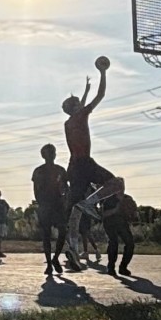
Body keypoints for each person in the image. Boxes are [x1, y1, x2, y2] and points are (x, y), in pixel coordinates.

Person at [61, 56, 120, 222]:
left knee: (74, 207)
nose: (82, 103)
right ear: (75, 108)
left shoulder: (69, 122)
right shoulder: (80, 116)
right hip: (85, 164)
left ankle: (71, 242)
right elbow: (101, 95)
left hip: (74, 166)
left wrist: (86, 92)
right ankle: (91, 203)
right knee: (116, 183)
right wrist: (103, 73)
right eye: (79, 102)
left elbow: (80, 109)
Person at [31, 144, 68, 278]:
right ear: (43, 156)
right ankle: (48, 264)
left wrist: (65, 201)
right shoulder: (38, 171)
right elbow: (35, 190)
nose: (51, 155)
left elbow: (66, 187)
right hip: (45, 206)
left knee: (63, 231)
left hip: (58, 205)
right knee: (46, 235)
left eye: (53, 152)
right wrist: (41, 203)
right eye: (48, 153)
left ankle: (55, 257)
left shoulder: (61, 170)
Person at [99, 179, 137, 277]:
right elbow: (103, 214)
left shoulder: (127, 198)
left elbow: (133, 213)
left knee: (130, 244)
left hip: (122, 223)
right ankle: (111, 266)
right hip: (110, 223)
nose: (120, 187)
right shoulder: (108, 199)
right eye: (118, 185)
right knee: (113, 242)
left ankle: (123, 267)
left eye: (122, 185)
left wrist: (132, 214)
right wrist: (116, 209)